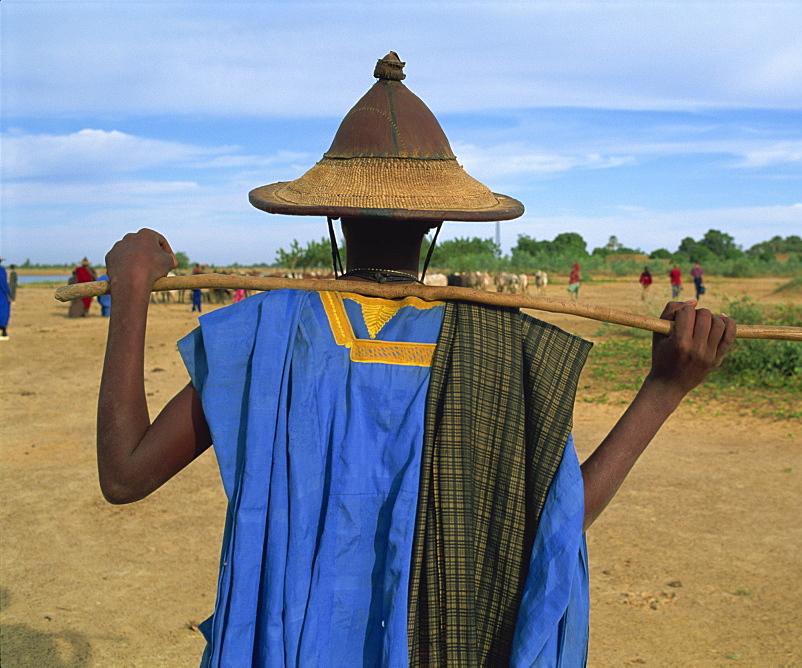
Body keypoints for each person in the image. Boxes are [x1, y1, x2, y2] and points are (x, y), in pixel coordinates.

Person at [96, 53, 735, 666]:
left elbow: (125, 476)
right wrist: (664, 388)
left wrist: (130, 291)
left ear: (331, 215)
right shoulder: (502, 350)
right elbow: (558, 528)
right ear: (436, 226)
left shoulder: (268, 335)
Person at [0, 259, 11, 340]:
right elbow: (3, 283)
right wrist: (8, 294)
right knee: (3, 312)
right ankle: (4, 332)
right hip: (1, 294)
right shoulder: (1, 271)